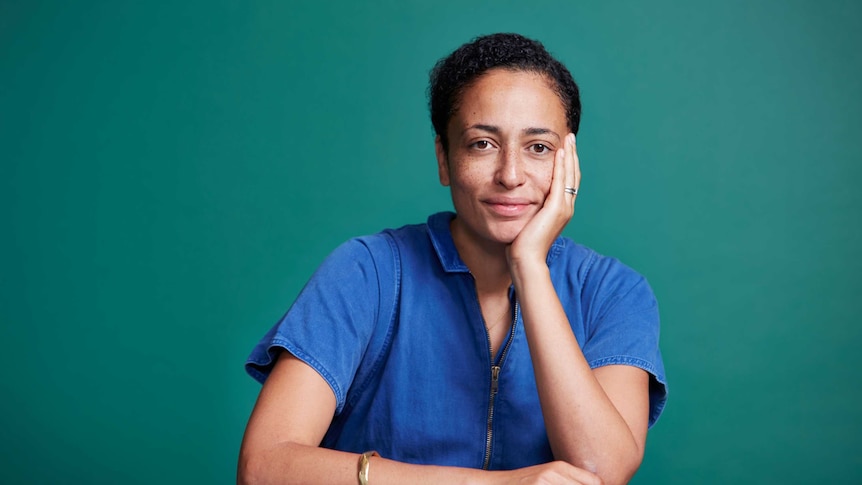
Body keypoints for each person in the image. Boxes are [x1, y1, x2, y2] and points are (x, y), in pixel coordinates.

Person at [238, 33, 667, 485]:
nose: (511, 175)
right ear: (444, 158)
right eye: (482, 143)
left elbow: (602, 470)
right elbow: (263, 467)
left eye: (538, 147)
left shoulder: (614, 292)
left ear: (569, 163)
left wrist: (530, 267)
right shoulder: (366, 272)